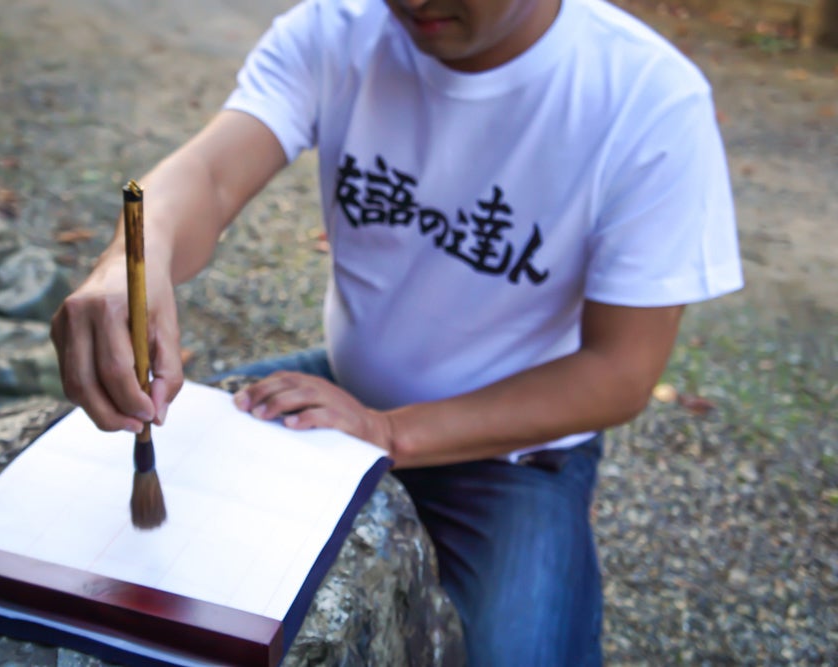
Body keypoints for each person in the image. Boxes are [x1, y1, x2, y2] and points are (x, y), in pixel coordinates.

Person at [51, 0, 743, 663]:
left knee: (511, 652)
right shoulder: (338, 28)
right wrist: (128, 264)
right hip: (346, 386)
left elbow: (619, 372)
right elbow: (210, 175)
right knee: (116, 527)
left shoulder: (646, 100)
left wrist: (388, 432)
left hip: (514, 448)